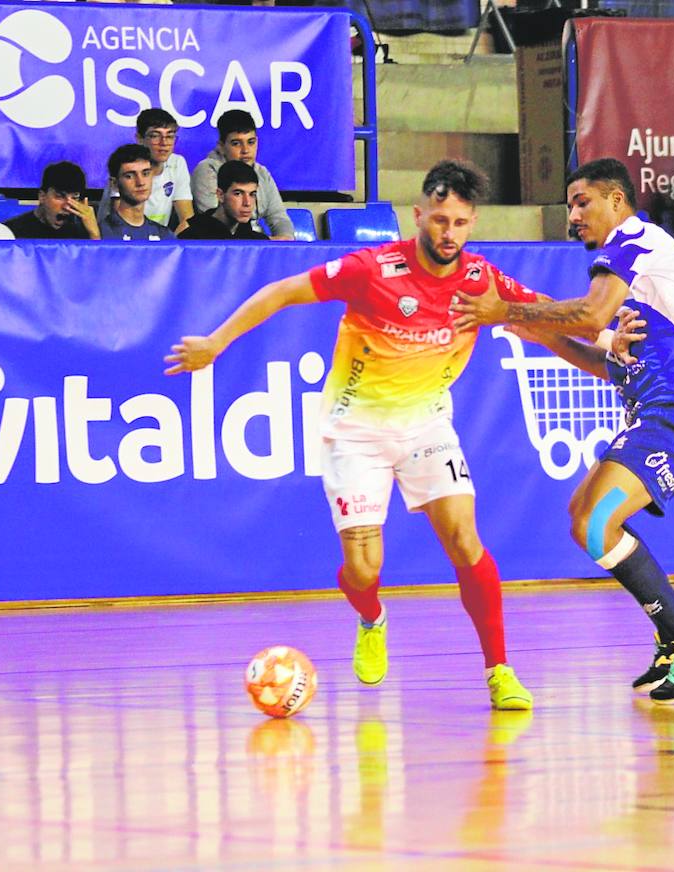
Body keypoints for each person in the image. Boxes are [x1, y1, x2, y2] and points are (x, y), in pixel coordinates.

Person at [164, 160, 535, 711]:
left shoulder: (480, 281)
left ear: (473, 222)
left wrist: (606, 337)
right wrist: (216, 344)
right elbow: (284, 291)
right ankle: (371, 617)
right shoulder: (373, 268)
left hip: (428, 424)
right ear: (418, 216)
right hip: (355, 431)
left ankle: (500, 670)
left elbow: (542, 316)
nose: (447, 233)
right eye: (438, 220)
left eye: (459, 222)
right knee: (364, 569)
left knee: (464, 540)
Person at [451, 157, 674, 705]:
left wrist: (503, 307)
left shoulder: (634, 240)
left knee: (598, 518)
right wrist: (533, 330)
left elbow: (588, 315)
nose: (573, 215)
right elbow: (601, 356)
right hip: (661, 404)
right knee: (586, 519)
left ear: (617, 201)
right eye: (570, 205)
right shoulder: (639, 288)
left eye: (583, 202)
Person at [191, 110, 294, 240]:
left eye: (250, 142)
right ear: (221, 146)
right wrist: (263, 242)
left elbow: (278, 217)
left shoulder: (261, 172)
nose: (245, 150)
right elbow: (218, 221)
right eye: (236, 143)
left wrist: (286, 240)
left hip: (257, 242)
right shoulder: (207, 169)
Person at [100, 109, 192, 233]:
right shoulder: (126, 164)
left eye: (170, 136)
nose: (164, 143)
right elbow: (119, 225)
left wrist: (169, 247)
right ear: (139, 138)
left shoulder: (177, 163)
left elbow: (187, 219)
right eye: (155, 136)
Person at [4, 161, 100, 240]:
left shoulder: (82, 231)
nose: (67, 207)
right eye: (60, 197)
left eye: (74, 198)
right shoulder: (11, 232)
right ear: (42, 196)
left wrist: (94, 234)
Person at [98, 145, 175, 241]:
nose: (140, 182)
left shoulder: (165, 235)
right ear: (114, 183)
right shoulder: (101, 233)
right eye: (129, 176)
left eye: (145, 174)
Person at [178, 161, 269, 240]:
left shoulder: (260, 244)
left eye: (252, 194)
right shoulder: (191, 240)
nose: (247, 203)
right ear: (220, 195)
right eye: (238, 193)